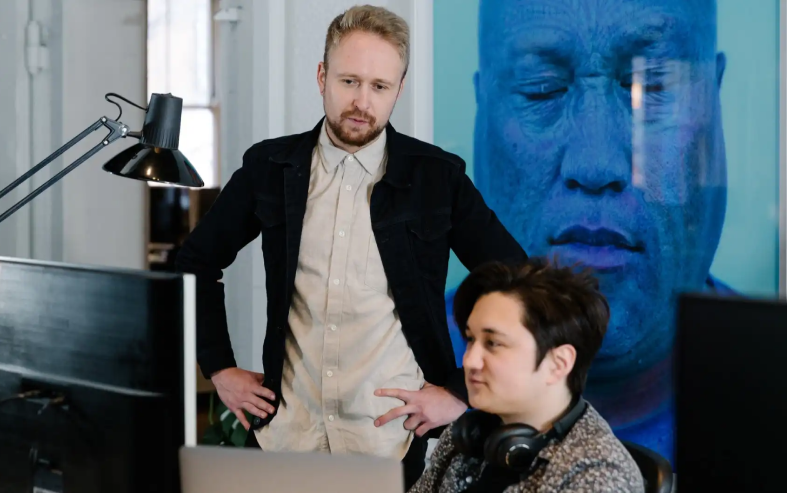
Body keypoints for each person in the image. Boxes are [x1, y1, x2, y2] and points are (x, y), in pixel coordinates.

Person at [176, 4, 526, 489]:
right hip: (286, 434)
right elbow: (194, 262)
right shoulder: (268, 167)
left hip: (389, 441)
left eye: (380, 86)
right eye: (349, 81)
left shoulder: (438, 178)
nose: (362, 102)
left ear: (398, 89)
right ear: (322, 76)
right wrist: (218, 367)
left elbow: (519, 285)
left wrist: (459, 390)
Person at [444, 0, 734, 460]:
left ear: (714, 101)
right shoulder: (397, 367)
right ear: (483, 107)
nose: (595, 164)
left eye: (652, 84)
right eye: (541, 89)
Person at [413, 259, 644, 492]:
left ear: (558, 364)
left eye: (493, 343)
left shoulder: (599, 479)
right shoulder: (468, 436)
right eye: (471, 339)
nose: (469, 360)